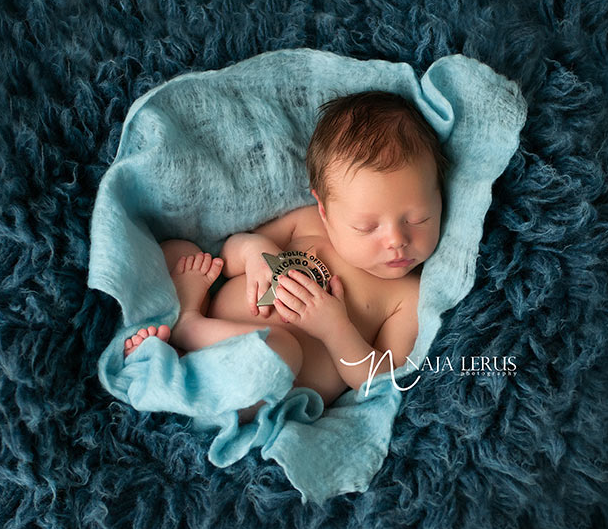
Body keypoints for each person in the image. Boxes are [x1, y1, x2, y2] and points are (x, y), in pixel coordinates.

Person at [124, 91, 449, 423]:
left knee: (280, 348)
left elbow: (380, 379)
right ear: (325, 210)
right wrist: (254, 252)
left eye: (417, 219)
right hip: (216, 329)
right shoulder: (307, 223)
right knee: (180, 252)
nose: (397, 240)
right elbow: (230, 253)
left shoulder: (407, 295)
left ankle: (186, 329)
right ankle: (174, 356)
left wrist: (336, 330)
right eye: (366, 227)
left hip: (263, 386)